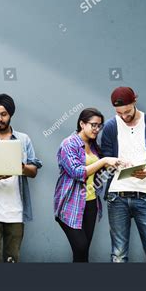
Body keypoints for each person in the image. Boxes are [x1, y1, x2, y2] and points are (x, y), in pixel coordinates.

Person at [101, 87, 146, 263]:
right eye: (119, 112)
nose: (124, 116)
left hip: (145, 196)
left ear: (135, 101)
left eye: (127, 111)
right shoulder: (110, 126)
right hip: (117, 196)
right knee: (119, 255)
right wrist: (115, 162)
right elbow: (105, 159)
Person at [0, 94, 42, 262]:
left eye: (3, 114)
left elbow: (33, 171)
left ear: (10, 115)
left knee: (12, 259)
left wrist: (21, 167)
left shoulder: (23, 139)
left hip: (16, 212)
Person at [54, 108, 120, 262]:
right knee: (81, 246)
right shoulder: (68, 144)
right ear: (82, 124)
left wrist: (117, 163)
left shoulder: (94, 146)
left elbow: (100, 171)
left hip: (90, 204)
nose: (97, 129)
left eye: (99, 126)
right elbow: (77, 172)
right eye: (93, 125)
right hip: (70, 205)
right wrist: (104, 161)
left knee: (82, 253)